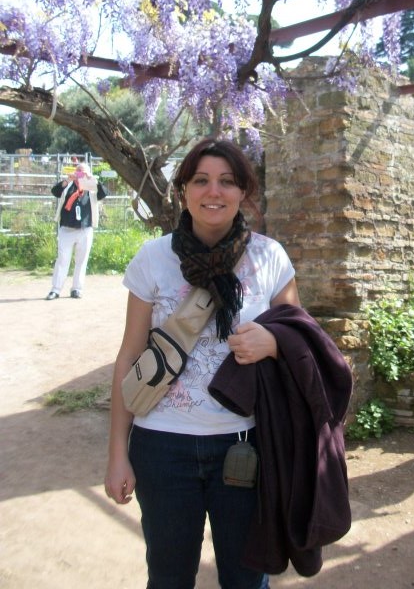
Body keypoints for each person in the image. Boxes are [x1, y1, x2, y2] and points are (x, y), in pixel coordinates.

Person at [104, 138, 315, 589]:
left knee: (246, 579)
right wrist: (117, 453)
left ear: (243, 192)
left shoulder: (269, 257)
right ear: (183, 190)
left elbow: (302, 340)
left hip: (245, 445)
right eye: (200, 180)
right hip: (162, 446)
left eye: (227, 181)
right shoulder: (153, 259)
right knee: (169, 578)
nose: (213, 192)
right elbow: (129, 356)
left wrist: (273, 342)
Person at [45, 160, 107, 300]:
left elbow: (103, 193)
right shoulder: (69, 185)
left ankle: (77, 289)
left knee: (81, 260)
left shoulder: (91, 188)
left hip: (85, 228)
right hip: (67, 228)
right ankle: (55, 289)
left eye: (83, 172)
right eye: (79, 171)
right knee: (62, 259)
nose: (81, 175)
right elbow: (55, 191)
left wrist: (92, 179)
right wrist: (68, 179)